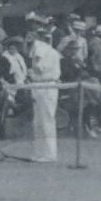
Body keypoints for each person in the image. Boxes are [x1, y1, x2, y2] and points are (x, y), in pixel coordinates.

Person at [25, 23, 62, 163]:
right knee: (39, 121)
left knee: (46, 120)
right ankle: (40, 152)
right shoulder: (44, 48)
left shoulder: (40, 48)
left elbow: (39, 67)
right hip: (39, 86)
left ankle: (49, 154)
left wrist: (31, 71)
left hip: (46, 86)